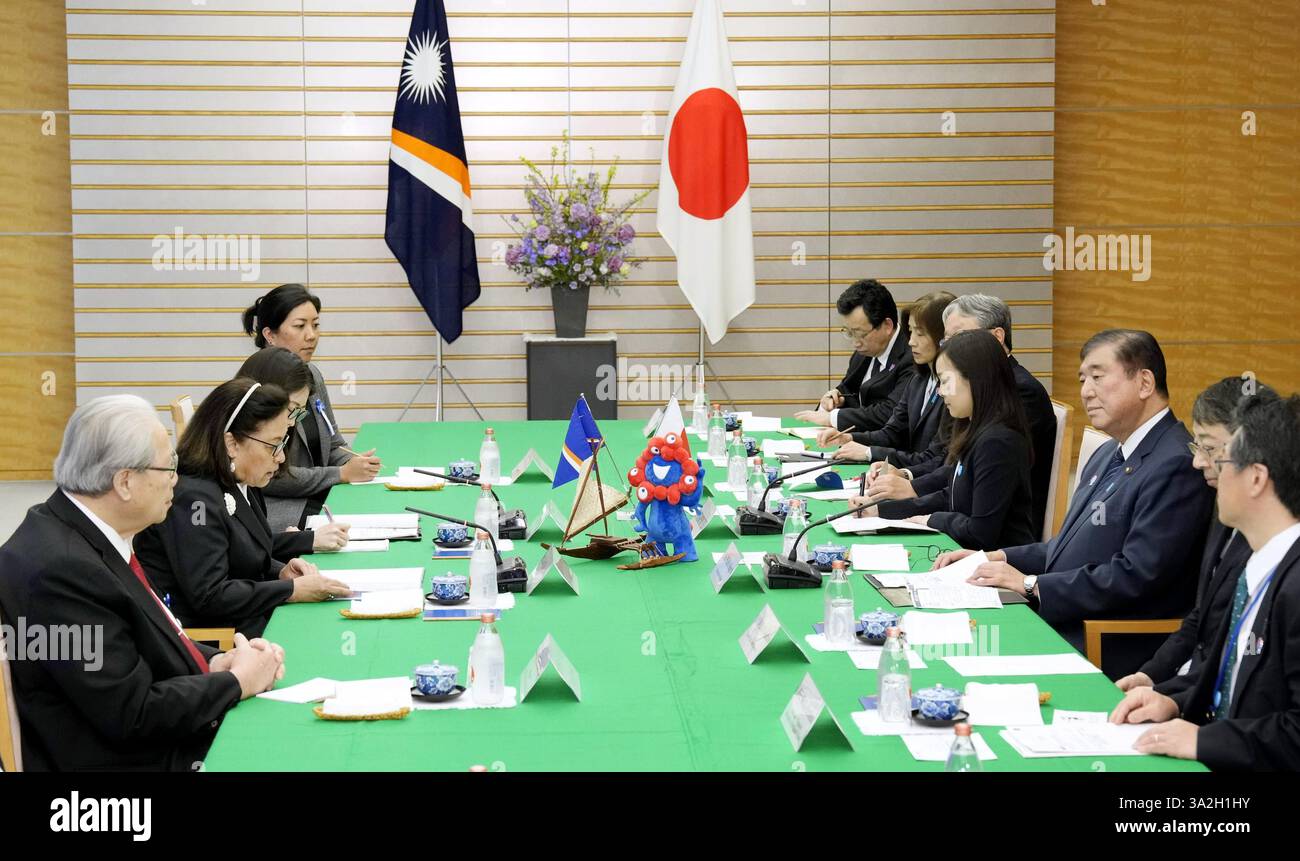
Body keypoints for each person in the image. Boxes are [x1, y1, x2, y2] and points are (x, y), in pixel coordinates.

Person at [0, 395, 287, 771]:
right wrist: (235, 682)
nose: (176, 480)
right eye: (168, 467)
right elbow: (132, 713)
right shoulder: (59, 572)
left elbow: (140, 643)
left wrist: (217, 661)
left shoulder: (82, 530)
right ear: (124, 482)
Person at [932, 329, 1215, 678]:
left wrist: (1031, 585)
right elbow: (1066, 550)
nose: (1086, 391)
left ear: (1144, 383)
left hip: (1105, 641)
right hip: (1062, 614)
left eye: (1097, 377)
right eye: (1082, 379)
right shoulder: (1110, 452)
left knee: (960, 664)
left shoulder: (1175, 464)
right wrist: (995, 558)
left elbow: (1135, 576)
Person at [1110, 394, 1300, 771]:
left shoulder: (1294, 585)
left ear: (1256, 478)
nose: (1203, 466)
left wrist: (1203, 739)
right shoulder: (1259, 564)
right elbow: (1230, 681)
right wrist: (1174, 700)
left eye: (1221, 459)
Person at [135, 379, 352, 639]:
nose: (281, 457)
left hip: (244, 619)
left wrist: (280, 572)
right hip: (216, 639)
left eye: (283, 445)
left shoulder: (241, 482)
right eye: (273, 446)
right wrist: (290, 590)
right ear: (232, 443)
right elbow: (210, 596)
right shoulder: (194, 502)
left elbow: (243, 554)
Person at [1115, 377, 1277, 692]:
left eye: (1209, 448)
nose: (1197, 461)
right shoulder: (1223, 506)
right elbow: (1201, 616)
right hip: (1190, 688)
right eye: (1197, 445)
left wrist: (1174, 699)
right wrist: (1151, 676)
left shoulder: (1273, 541)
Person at [857, 294, 1057, 538]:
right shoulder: (974, 415)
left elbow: (982, 523)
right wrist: (883, 510)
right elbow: (955, 484)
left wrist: (925, 516)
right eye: (947, 338)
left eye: (959, 337)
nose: (948, 346)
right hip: (966, 526)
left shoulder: (1009, 412)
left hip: (997, 550)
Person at [241, 284, 382, 533]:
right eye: (300, 326)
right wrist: (339, 474)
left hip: (317, 494)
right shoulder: (257, 386)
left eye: (315, 325)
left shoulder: (312, 374)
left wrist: (357, 462)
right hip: (283, 508)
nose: (311, 335)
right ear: (269, 335)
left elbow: (334, 443)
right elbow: (269, 476)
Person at [815, 290, 955, 469]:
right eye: (910, 332)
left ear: (944, 337)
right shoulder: (919, 380)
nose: (911, 341)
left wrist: (868, 453)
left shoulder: (953, 388)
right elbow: (892, 432)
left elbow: (933, 459)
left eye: (920, 334)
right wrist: (848, 437)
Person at [236, 346, 352, 541]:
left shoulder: (309, 379)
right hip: (284, 509)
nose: (292, 422)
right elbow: (249, 551)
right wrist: (299, 542)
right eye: (291, 410)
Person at [793, 279, 912, 433]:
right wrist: (834, 399)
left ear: (887, 326)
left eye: (860, 334)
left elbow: (890, 412)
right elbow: (848, 390)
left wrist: (833, 418)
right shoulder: (863, 353)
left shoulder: (911, 357)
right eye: (849, 333)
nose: (855, 343)